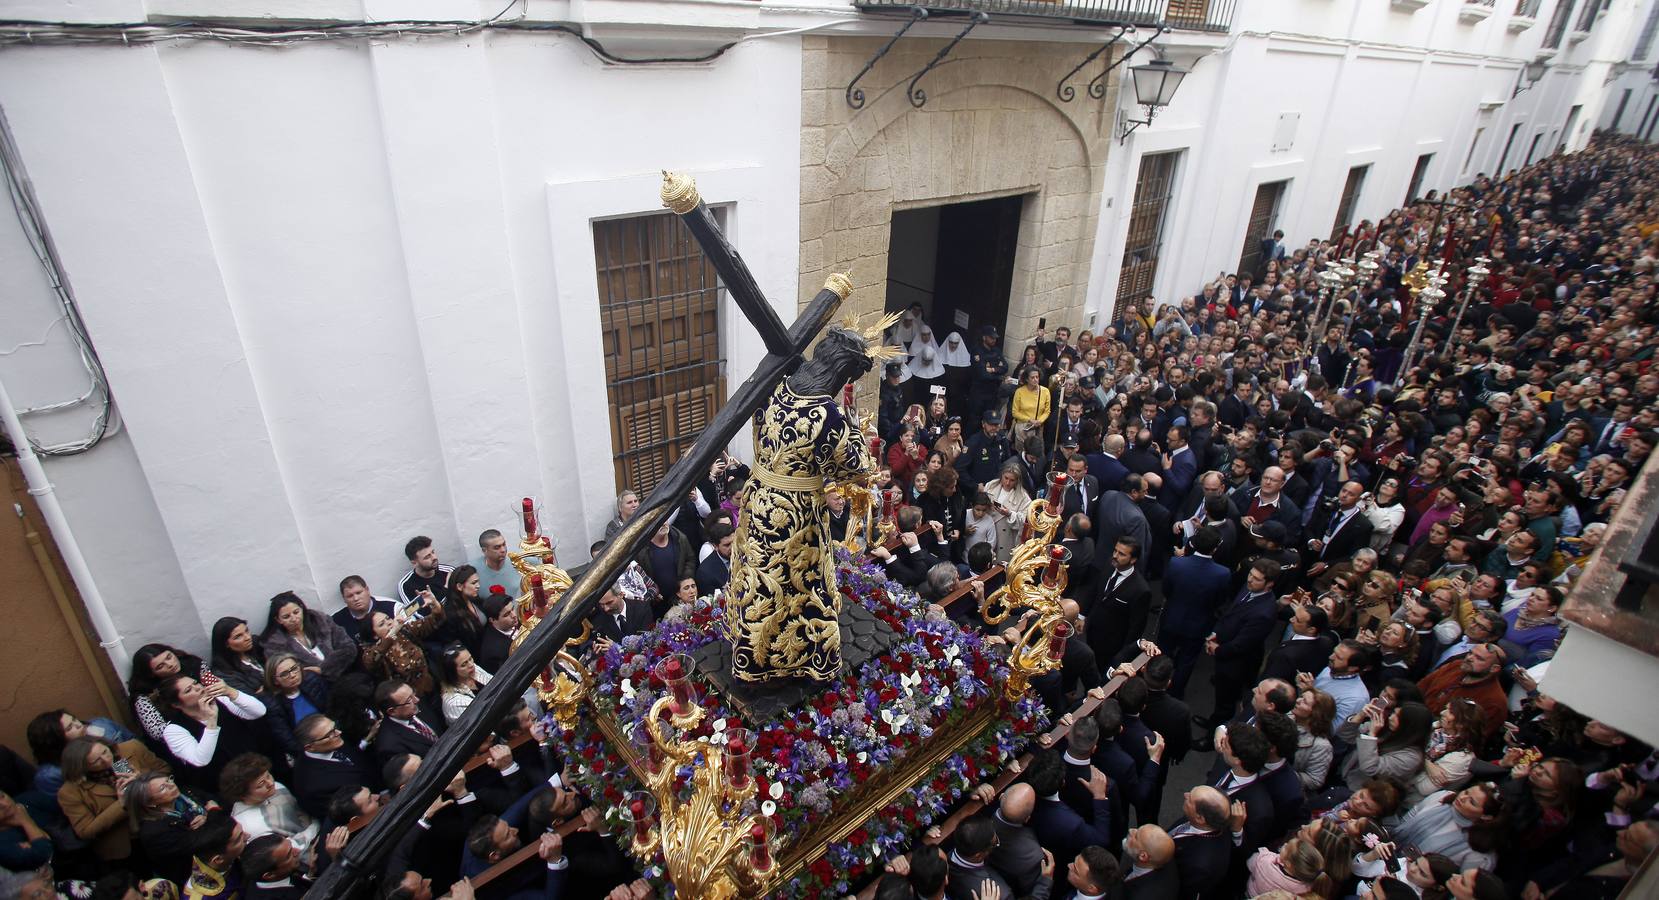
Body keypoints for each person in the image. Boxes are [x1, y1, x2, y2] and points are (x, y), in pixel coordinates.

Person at [57, 737, 167, 868]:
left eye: (104, 752)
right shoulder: (70, 792)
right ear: (83, 767)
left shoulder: (128, 750)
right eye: (96, 761)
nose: (106, 760)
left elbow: (165, 770)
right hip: (127, 846)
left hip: (160, 823)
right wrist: (121, 805)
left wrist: (144, 781)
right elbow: (85, 831)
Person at [154, 674, 269, 793]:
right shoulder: (173, 729)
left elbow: (259, 711)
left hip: (255, 766)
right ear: (176, 704)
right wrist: (211, 720)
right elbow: (200, 759)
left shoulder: (220, 699)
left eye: (195, 683)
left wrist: (230, 691)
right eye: (189, 690)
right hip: (226, 785)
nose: (198, 688)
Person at [219, 753, 320, 862]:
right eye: (261, 784)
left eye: (268, 775)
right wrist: (316, 826)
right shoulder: (250, 826)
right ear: (243, 795)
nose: (270, 783)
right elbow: (287, 851)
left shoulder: (276, 787)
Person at [258, 593, 358, 682]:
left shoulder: (320, 621)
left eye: (296, 612)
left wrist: (323, 669)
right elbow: (290, 675)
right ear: (278, 620)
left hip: (348, 675)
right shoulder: (275, 646)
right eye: (286, 617)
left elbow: (349, 648)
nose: (294, 619)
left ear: (302, 608)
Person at [262, 654, 331, 756]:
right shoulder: (273, 704)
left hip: (333, 735)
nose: (293, 675)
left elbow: (333, 710)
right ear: (275, 681)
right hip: (310, 752)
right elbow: (288, 741)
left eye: (294, 668)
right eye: (285, 674)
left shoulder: (313, 680)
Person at [210, 617, 270, 698]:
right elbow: (252, 699)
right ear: (226, 644)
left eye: (246, 631)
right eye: (238, 636)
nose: (248, 637)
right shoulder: (225, 674)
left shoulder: (256, 645)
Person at [438, 644, 493, 725]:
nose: (471, 665)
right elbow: (479, 725)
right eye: (464, 665)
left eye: (470, 658)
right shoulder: (453, 703)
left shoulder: (473, 669)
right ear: (452, 672)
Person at [397, 536, 455, 610]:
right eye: (427, 557)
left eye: (433, 552)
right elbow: (420, 615)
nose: (434, 557)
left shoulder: (449, 572)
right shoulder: (406, 586)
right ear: (414, 562)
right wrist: (446, 588)